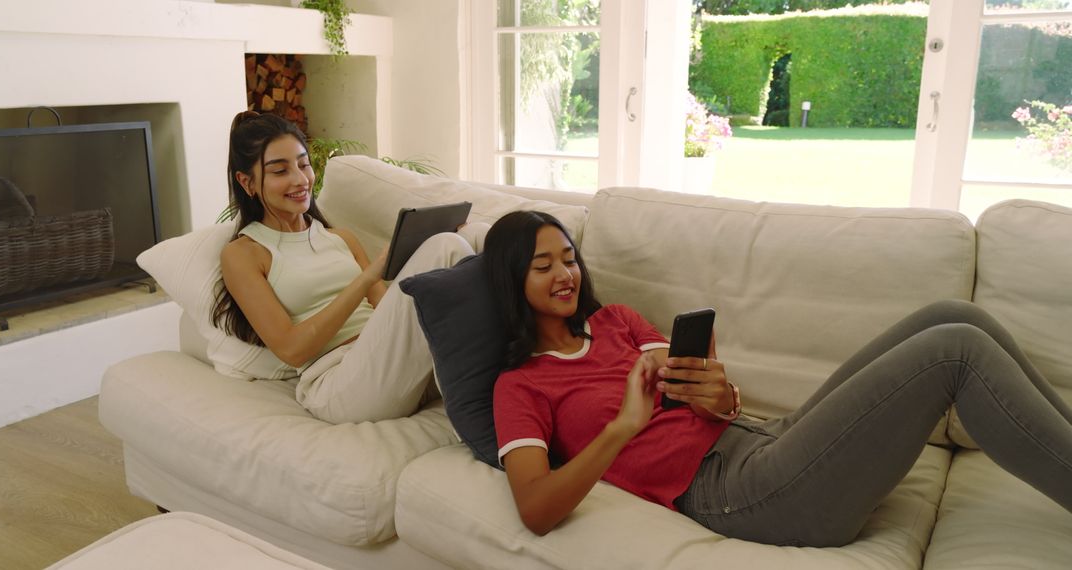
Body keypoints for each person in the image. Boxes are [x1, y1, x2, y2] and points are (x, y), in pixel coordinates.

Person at [483, 209, 1072, 547]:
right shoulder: (521, 386)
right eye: (544, 265)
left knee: (955, 315)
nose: (565, 273)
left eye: (569, 257)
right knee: (955, 351)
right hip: (740, 496)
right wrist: (621, 428)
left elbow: (703, 390)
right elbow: (535, 509)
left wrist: (720, 392)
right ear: (513, 281)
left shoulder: (615, 322)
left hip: (763, 439)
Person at [212, 111, 486, 424]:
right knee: (446, 246)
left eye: (303, 164)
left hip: (398, 366)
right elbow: (291, 350)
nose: (301, 180)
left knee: (473, 234)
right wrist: (369, 276)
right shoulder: (244, 254)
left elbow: (387, 311)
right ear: (247, 182)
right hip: (340, 383)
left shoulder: (339, 237)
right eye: (280, 171)